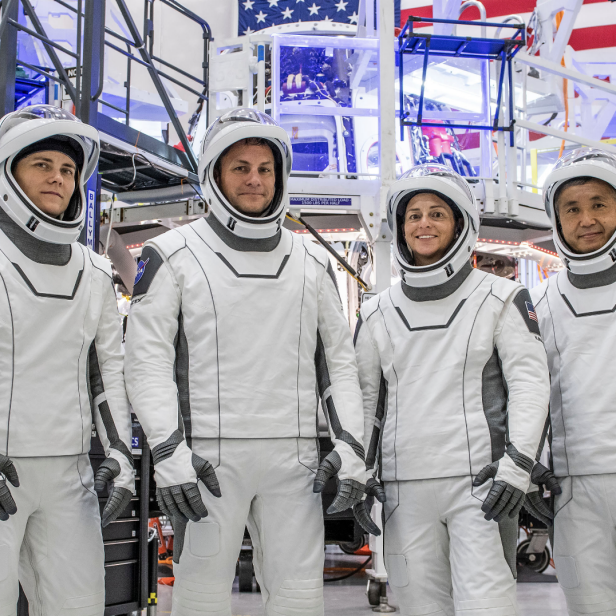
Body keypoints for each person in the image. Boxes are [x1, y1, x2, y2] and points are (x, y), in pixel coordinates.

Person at [124, 107, 377, 616]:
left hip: (296, 461)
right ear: (214, 173)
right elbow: (146, 361)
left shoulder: (312, 262)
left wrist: (352, 448)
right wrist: (169, 453)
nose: (255, 180)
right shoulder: (171, 254)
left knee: (300, 597)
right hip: (207, 462)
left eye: (265, 168)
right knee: (199, 595)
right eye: (240, 167)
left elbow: (340, 367)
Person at [354, 164, 550, 616]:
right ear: (401, 228)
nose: (424, 224)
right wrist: (359, 471)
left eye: (437, 213)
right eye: (414, 215)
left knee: (489, 606)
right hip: (404, 489)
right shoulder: (377, 311)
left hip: (481, 486)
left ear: (460, 222)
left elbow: (529, 384)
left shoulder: (501, 297)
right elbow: (365, 400)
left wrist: (518, 467)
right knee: (421, 606)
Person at [0, 105, 134, 615]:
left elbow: (108, 374)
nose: (58, 178)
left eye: (67, 170)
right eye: (42, 165)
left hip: (70, 473)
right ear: (9, 170)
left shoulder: (95, 273)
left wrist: (120, 456)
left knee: (77, 606)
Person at [530, 147, 616, 616]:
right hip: (573, 487)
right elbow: (527, 393)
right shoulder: (538, 302)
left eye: (599, 204)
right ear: (557, 220)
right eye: (573, 209)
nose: (587, 220)